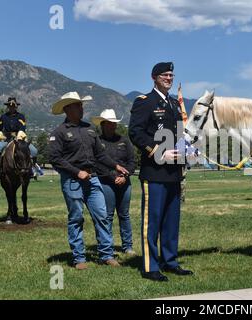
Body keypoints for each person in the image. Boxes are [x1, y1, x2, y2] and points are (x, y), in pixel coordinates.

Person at [49, 92, 129, 270]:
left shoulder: (90, 129)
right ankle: (79, 258)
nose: (81, 108)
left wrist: (116, 166)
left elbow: (100, 154)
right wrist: (77, 172)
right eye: (78, 105)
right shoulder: (59, 132)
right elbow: (55, 159)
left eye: (81, 105)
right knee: (76, 218)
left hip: (93, 180)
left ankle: (106, 255)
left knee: (102, 216)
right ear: (68, 109)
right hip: (73, 181)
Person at [129, 62, 193, 282]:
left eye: (171, 75)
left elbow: (180, 135)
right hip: (154, 172)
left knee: (171, 221)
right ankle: (150, 266)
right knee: (153, 220)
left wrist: (189, 151)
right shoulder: (144, 102)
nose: (169, 78)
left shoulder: (175, 104)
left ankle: (170, 261)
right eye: (165, 75)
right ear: (154, 77)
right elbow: (135, 132)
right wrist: (157, 152)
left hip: (174, 173)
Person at [92, 109, 136, 255]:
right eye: (109, 123)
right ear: (103, 124)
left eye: (114, 123)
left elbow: (132, 162)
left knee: (124, 214)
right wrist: (113, 177)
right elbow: (97, 163)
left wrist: (124, 176)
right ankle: (107, 246)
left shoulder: (124, 140)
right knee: (108, 215)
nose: (112, 126)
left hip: (125, 182)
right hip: (106, 182)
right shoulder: (97, 141)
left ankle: (127, 246)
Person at [0, 97, 39, 178]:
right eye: (10, 106)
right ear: (8, 107)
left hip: (20, 137)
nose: (11, 107)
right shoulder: (3, 117)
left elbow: (22, 127)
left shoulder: (21, 116)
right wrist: (0, 135)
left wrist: (19, 136)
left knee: (34, 151)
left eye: (13, 106)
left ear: (16, 106)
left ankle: (33, 168)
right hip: (6, 138)